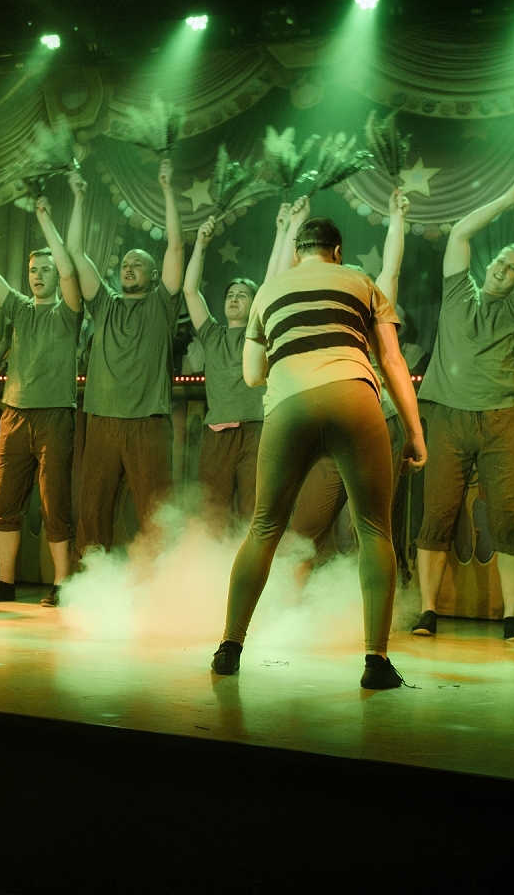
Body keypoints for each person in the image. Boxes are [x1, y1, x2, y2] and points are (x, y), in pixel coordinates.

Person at [210, 216, 425, 688]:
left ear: (297, 252)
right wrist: (414, 432)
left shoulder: (268, 290)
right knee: (374, 531)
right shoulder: (361, 282)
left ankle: (229, 648)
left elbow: (252, 375)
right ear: (337, 251)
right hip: (353, 396)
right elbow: (391, 359)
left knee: (264, 528)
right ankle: (376, 662)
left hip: (289, 405)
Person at [411, 178, 514, 642]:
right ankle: (428, 611)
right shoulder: (459, 291)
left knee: (509, 518)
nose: (503, 269)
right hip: (447, 417)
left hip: (500, 421)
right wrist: (509, 199)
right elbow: (460, 233)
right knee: (437, 515)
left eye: (513, 268)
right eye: (500, 261)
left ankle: (511, 617)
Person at [284, 190, 411, 573]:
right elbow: (282, 280)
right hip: (324, 424)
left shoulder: (366, 296)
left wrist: (397, 220)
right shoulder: (303, 303)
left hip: (372, 421)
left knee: (371, 530)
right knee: (304, 530)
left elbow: (390, 271)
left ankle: (369, 605)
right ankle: (287, 602)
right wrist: (293, 227)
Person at [0, 187, 83, 606]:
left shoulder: (68, 310)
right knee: (3, 501)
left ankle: (62, 584)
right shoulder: (19, 307)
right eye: (33, 270)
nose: (37, 275)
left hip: (55, 415)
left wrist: (44, 220)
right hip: (14, 413)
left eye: (45, 270)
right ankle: (4, 582)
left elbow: (71, 274)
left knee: (55, 504)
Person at [71, 158, 184, 558]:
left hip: (148, 422)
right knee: (93, 511)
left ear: (154, 276)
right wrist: (79, 198)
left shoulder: (162, 305)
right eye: (125, 264)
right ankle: (90, 583)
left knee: (156, 514)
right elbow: (76, 252)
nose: (129, 268)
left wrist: (168, 191)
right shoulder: (104, 303)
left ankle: (163, 585)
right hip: (102, 419)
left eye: (138, 265)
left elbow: (175, 247)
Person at [183, 212, 264, 524]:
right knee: (212, 514)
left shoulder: (259, 335)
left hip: (256, 431)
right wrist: (200, 245)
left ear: (254, 305)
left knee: (253, 512)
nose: (234, 299)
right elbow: (190, 291)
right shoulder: (212, 334)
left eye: (242, 295)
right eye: (230, 295)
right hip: (217, 433)